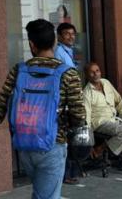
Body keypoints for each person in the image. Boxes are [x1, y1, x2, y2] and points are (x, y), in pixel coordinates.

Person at [0, 19, 85, 199]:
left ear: (31, 44)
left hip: (24, 144)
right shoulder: (68, 74)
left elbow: (0, 104)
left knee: (41, 192)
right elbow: (79, 114)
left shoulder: (19, 70)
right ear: (55, 42)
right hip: (52, 145)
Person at [83, 62, 122, 170]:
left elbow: (119, 102)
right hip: (100, 123)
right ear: (86, 75)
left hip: (114, 120)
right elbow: (87, 118)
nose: (96, 74)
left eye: (97, 71)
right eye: (92, 72)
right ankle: (100, 150)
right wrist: (89, 143)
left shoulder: (106, 83)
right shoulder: (86, 93)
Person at [55, 22, 78, 184]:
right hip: (63, 101)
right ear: (59, 36)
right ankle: (65, 174)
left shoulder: (68, 51)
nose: (71, 37)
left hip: (70, 100)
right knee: (65, 140)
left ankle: (70, 172)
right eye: (67, 34)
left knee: (69, 138)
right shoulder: (59, 53)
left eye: (73, 34)